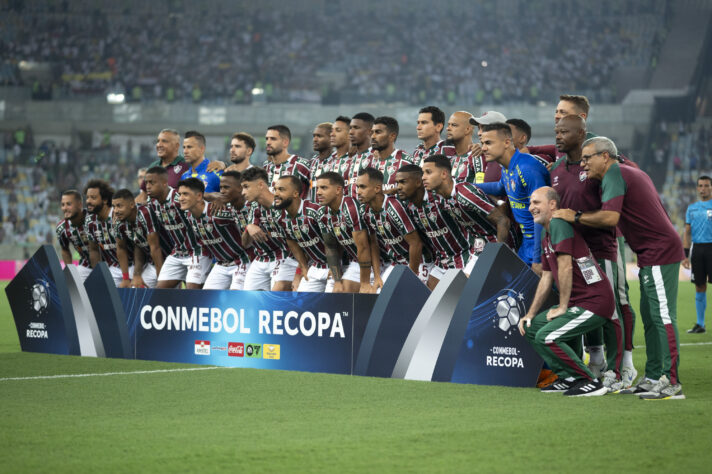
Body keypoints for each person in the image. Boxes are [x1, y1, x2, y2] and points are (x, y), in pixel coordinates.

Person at [555, 136, 685, 400]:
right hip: (650, 252)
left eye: (587, 158)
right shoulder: (630, 171)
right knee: (651, 318)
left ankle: (672, 382)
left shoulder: (615, 173)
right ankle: (652, 376)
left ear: (605, 156)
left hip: (659, 251)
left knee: (662, 317)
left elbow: (611, 218)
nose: (583, 164)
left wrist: (575, 216)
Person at [550, 115, 625, 388]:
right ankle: (590, 364)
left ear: (581, 133)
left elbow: (611, 207)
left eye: (563, 131)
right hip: (572, 253)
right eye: (556, 131)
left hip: (600, 249)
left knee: (610, 309)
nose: (557, 135)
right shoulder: (556, 168)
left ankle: (619, 369)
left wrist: (577, 216)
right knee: (577, 307)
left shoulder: (599, 167)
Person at [519, 187, 614, 397]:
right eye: (530, 203)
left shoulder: (558, 224)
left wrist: (562, 306)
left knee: (547, 337)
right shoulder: (545, 232)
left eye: (536, 203)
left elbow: (566, 267)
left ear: (553, 204)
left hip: (594, 302)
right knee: (533, 328)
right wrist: (530, 314)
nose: (531, 207)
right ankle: (568, 377)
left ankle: (590, 381)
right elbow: (546, 276)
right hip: (577, 303)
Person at [475, 122, 550, 273]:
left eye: (488, 143)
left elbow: (542, 214)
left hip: (542, 244)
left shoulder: (527, 169)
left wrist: (538, 258)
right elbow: (500, 187)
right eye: (482, 143)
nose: (483, 148)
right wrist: (465, 186)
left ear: (507, 142)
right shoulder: (508, 166)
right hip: (526, 244)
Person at [397, 164, 476, 289]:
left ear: (418, 183)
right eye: (397, 183)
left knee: (459, 302)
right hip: (441, 263)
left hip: (464, 257)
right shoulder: (407, 206)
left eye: (402, 182)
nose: (398, 187)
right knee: (431, 300)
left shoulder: (439, 198)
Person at [421, 154, 517, 251]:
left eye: (428, 172)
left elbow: (503, 221)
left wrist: (498, 253)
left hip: (499, 245)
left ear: (444, 174)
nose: (423, 177)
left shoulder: (464, 193)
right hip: (478, 247)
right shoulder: (438, 197)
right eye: (423, 173)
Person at [144, 166, 211, 289]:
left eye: (152, 183)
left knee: (192, 291)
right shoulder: (151, 203)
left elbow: (201, 201)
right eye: (146, 182)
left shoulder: (179, 198)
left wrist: (216, 198)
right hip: (177, 253)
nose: (147, 186)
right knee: (160, 291)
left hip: (197, 251)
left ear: (164, 183)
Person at [178, 176, 251, 290]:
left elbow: (242, 210)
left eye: (185, 194)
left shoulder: (218, 211)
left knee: (236, 297)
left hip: (242, 261)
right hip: (221, 264)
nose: (181, 198)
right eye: (180, 194)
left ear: (198, 196)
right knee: (208, 300)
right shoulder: (189, 216)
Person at [356, 167, 425, 284]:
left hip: (417, 263)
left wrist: (411, 277)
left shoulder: (393, 207)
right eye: (357, 187)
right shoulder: (364, 211)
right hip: (395, 264)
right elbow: (374, 243)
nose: (358, 191)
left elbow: (416, 243)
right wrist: (377, 276)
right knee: (379, 294)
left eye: (362, 187)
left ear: (377, 188)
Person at [315, 172, 374, 293]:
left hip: (377, 261)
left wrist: (365, 283)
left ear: (338, 190)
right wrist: (337, 280)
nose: (318, 192)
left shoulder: (349, 207)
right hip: (356, 262)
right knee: (338, 293)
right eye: (317, 188)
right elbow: (331, 247)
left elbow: (363, 247)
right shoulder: (322, 213)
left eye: (324, 188)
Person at [240, 167, 297, 291]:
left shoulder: (283, 206)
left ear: (260, 185)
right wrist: (248, 227)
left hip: (286, 257)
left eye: (246, 187)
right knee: (248, 299)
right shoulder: (253, 207)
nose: (243, 192)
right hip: (261, 258)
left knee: (276, 297)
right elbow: (245, 243)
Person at [273, 175, 330, 292]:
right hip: (316, 265)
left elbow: (335, 241)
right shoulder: (280, 217)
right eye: (275, 189)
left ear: (295, 194)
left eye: (281, 189)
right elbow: (291, 241)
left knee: (336, 299)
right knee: (302, 301)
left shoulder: (315, 212)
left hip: (338, 264)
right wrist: (303, 267)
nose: (276, 193)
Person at [111, 188, 171, 288]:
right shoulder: (118, 221)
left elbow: (155, 248)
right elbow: (125, 247)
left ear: (131, 205)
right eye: (114, 207)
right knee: (136, 289)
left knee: (166, 294)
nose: (116, 211)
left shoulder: (144, 213)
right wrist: (130, 277)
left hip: (168, 259)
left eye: (119, 206)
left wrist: (161, 278)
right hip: (152, 263)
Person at [682, 175, 712, 334]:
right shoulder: (691, 208)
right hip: (698, 250)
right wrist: (685, 255)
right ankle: (700, 324)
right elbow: (687, 233)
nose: (703, 189)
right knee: (700, 286)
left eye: (706, 185)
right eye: (700, 186)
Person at [84, 179, 127, 286]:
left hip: (131, 266)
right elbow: (93, 250)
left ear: (104, 200)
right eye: (87, 197)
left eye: (93, 198)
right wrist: (97, 275)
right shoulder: (90, 221)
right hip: (112, 269)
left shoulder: (118, 215)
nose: (88, 201)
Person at [263, 124, 311, 199]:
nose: (268, 142)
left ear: (285, 142)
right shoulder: (266, 166)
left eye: (273, 139)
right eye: (267, 139)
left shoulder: (300, 165)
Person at [369, 116, 414, 194]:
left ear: (392, 136)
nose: (373, 136)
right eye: (372, 132)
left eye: (378, 132)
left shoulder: (405, 162)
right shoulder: (370, 162)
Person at [56, 190, 92, 281]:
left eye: (68, 204)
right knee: (71, 288)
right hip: (86, 265)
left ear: (79, 205)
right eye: (63, 205)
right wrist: (70, 272)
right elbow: (65, 249)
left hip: (109, 264)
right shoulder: (62, 228)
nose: (65, 208)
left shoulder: (94, 218)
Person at [447, 111, 486, 184]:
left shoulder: (477, 155)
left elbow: (481, 190)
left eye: (454, 125)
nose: (448, 128)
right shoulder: (448, 156)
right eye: (448, 125)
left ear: (467, 129)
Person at [345, 112, 375, 195]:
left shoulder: (376, 157)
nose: (351, 132)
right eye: (350, 128)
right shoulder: (350, 158)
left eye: (356, 128)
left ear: (369, 131)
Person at [308, 122, 335, 202]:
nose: (315, 139)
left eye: (319, 136)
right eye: (314, 136)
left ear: (331, 138)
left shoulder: (338, 161)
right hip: (313, 211)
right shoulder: (311, 162)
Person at [328, 116, 353, 181]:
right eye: (331, 131)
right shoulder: (328, 160)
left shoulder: (355, 159)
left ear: (349, 134)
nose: (332, 134)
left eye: (338, 130)